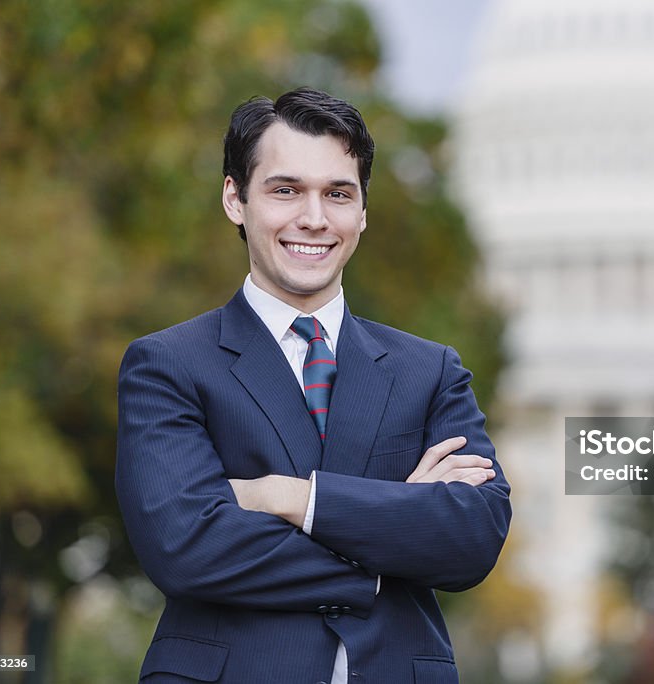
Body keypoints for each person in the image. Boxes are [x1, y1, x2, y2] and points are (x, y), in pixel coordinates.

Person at [115, 87, 511, 683]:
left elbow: (471, 537)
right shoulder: (168, 365)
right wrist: (392, 541)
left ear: (363, 212)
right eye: (286, 190)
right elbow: (186, 548)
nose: (315, 218)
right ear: (235, 199)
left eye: (338, 194)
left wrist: (287, 497)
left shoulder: (430, 371)